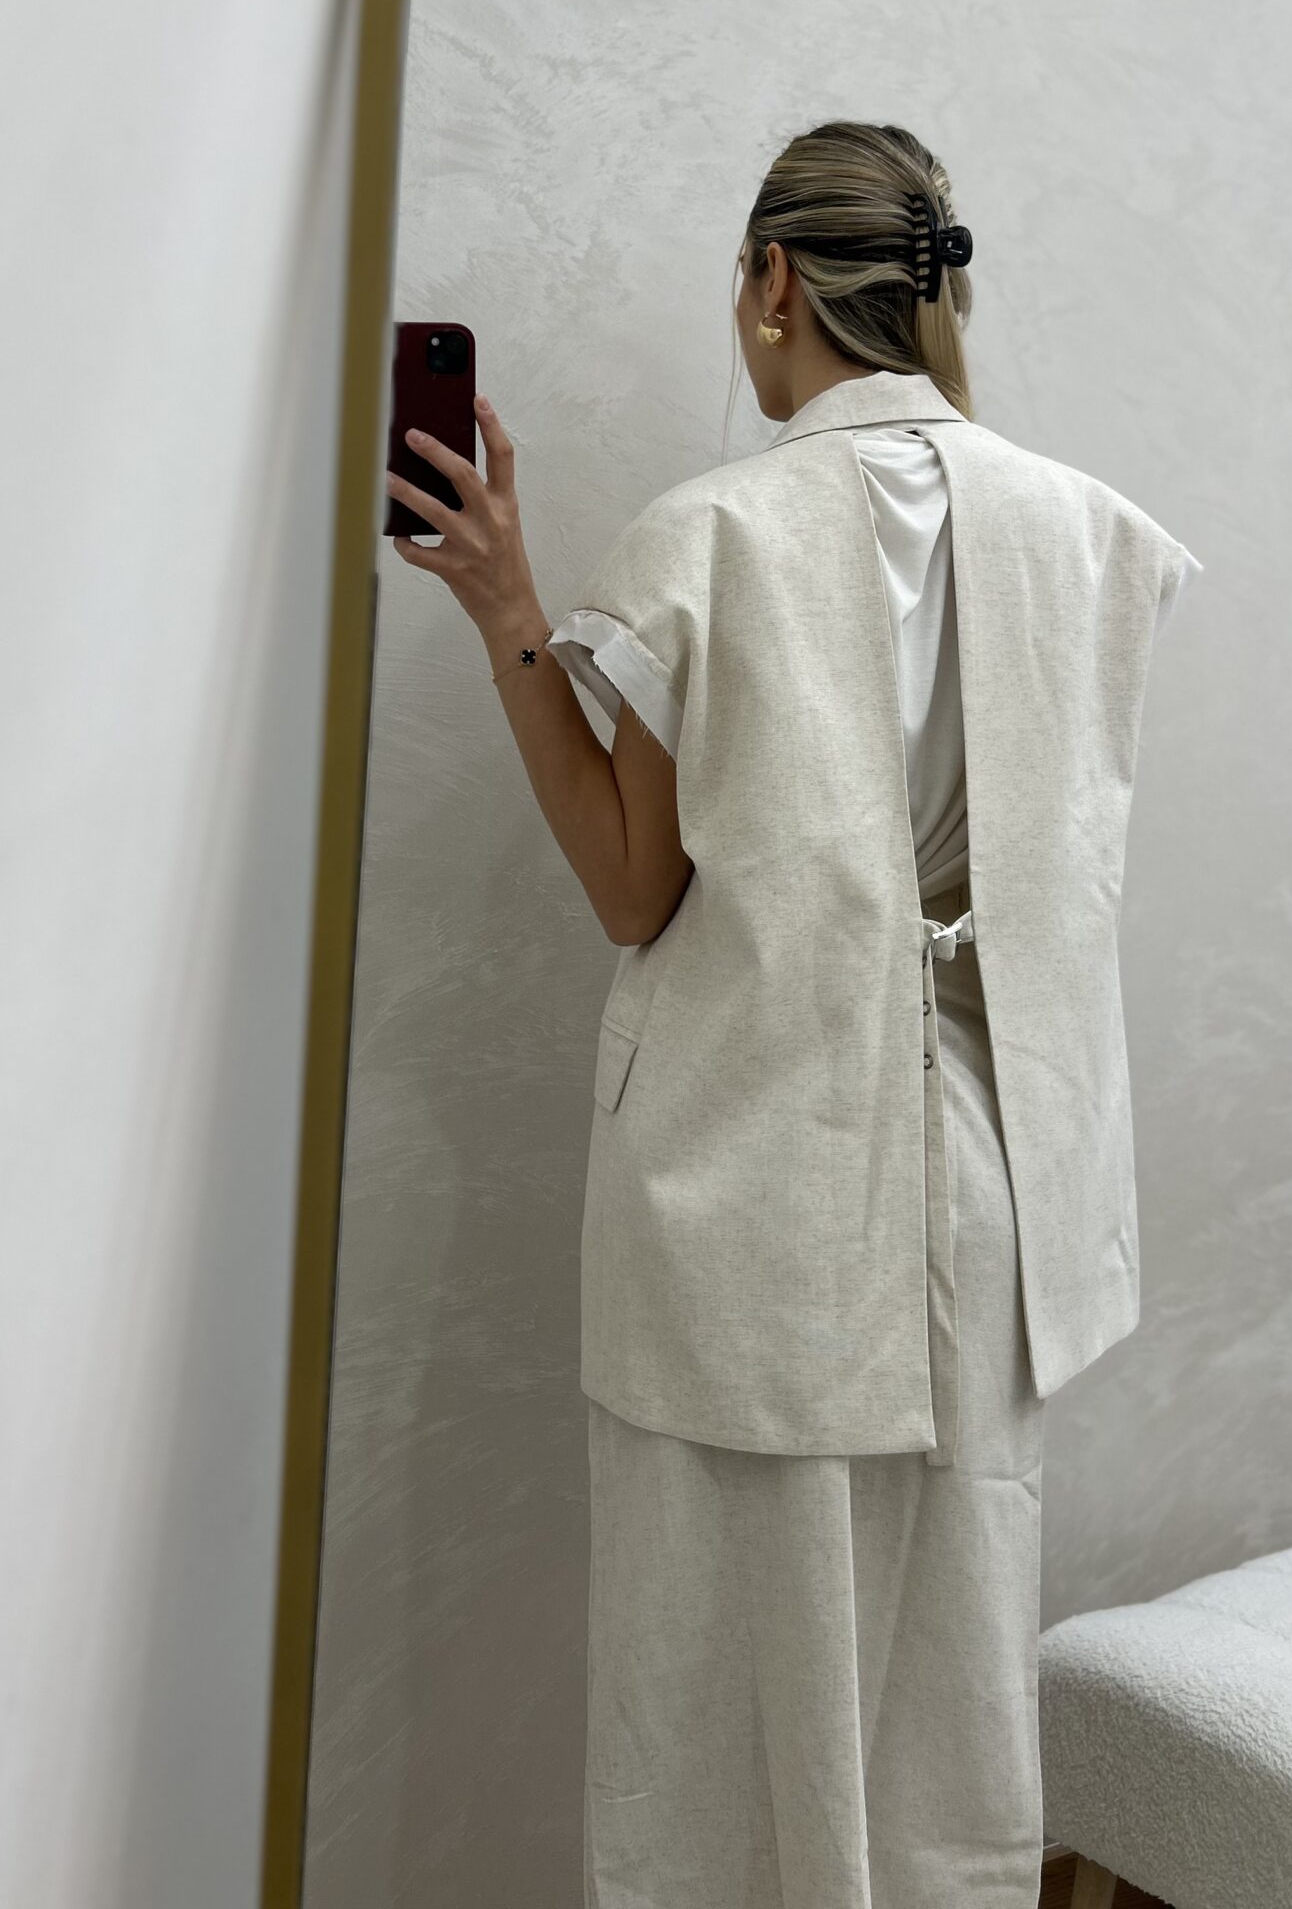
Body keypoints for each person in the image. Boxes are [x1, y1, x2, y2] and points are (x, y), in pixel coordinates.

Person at [384, 119, 1201, 1909]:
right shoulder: (1087, 535)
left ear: (773, 281)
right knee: (945, 1718)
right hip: (988, 1191)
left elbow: (634, 889)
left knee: (709, 1722)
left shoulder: (712, 539)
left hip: (749, 1188)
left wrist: (510, 609)